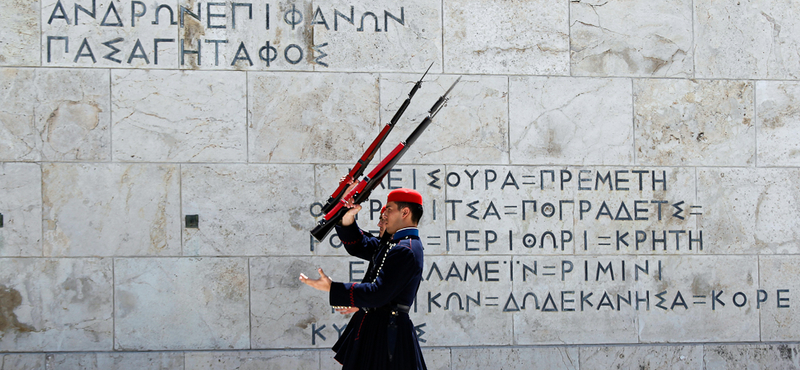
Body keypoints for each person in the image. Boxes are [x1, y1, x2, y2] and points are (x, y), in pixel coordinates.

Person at [300, 188, 427, 370]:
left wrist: (332, 288)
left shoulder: (405, 249)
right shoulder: (394, 245)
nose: (383, 217)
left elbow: (378, 293)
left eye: (389, 210)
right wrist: (348, 216)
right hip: (378, 326)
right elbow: (360, 245)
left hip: (388, 332)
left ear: (405, 212)